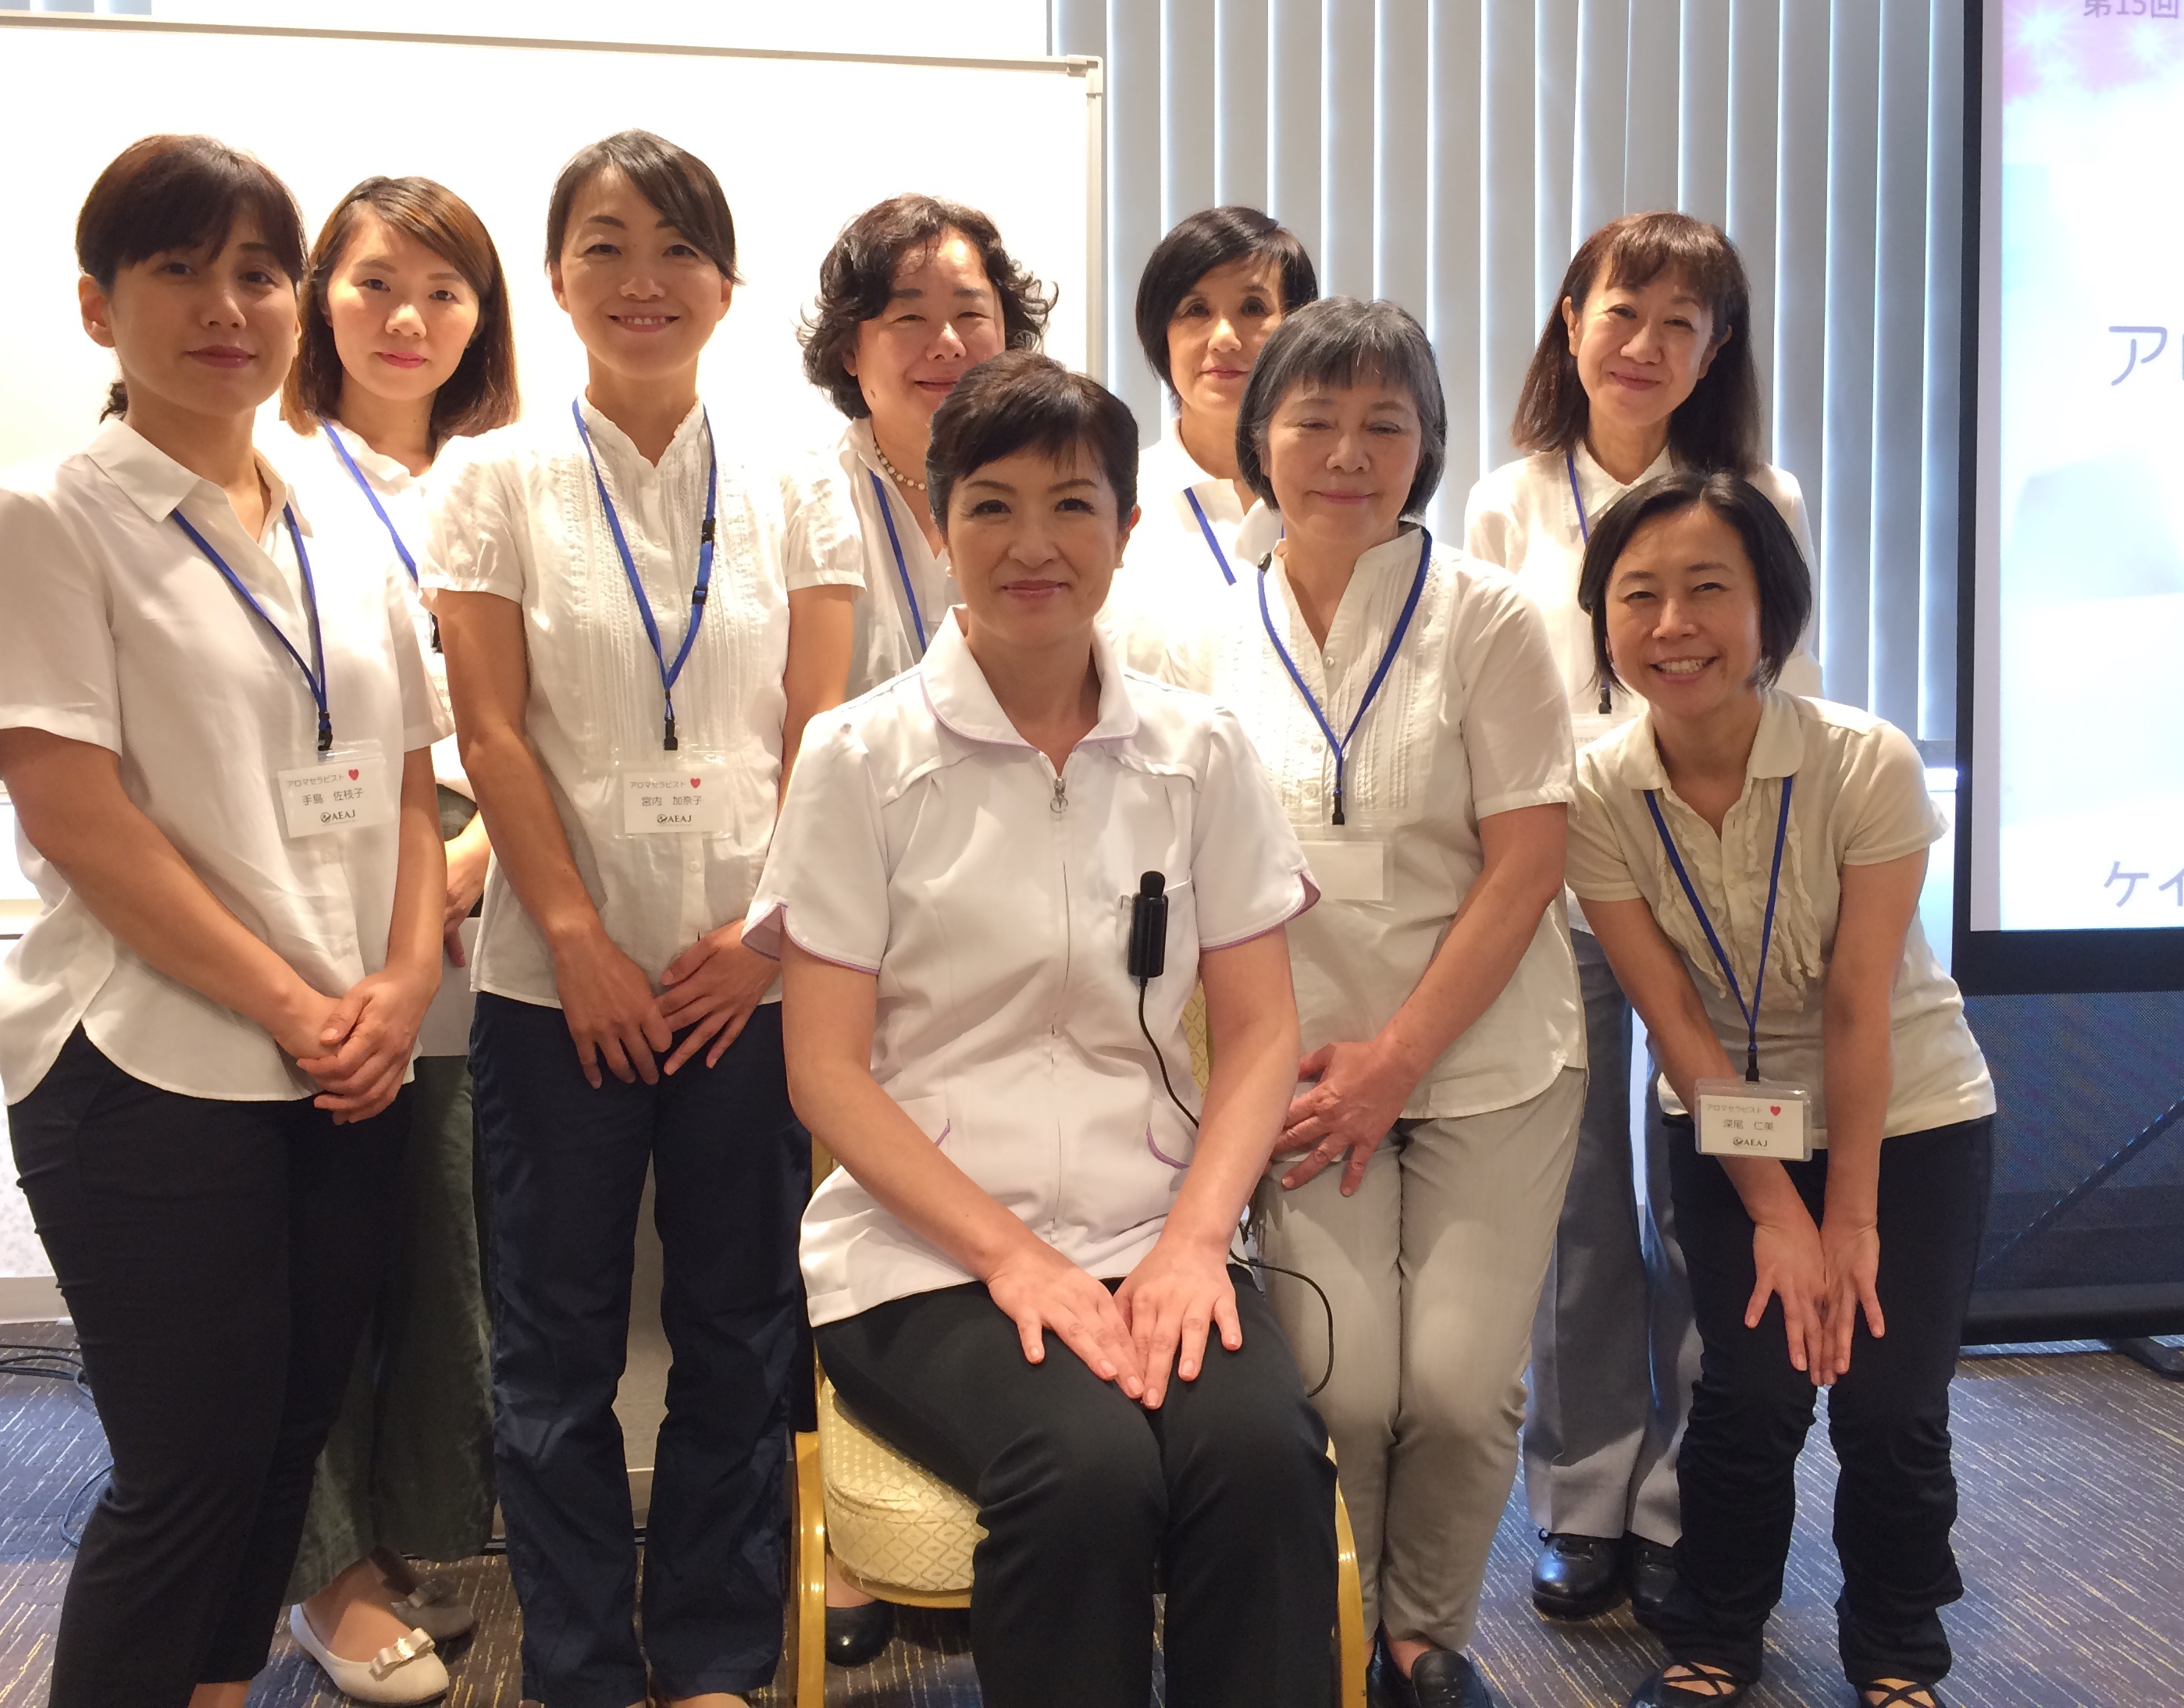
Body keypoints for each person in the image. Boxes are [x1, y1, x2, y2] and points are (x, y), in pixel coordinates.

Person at [750, 350, 1341, 1708]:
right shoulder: (858, 759)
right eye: (991, 506)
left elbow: (1259, 1034)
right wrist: (1016, 1261)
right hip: (922, 1262)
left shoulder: (1199, 751)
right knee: (1083, 1469)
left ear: (1124, 529)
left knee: (1262, 1459)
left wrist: (1193, 1242)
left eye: (1072, 505)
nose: (1032, 545)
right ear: (938, 522)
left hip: (1156, 1231)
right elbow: (824, 1073)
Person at [0, 134, 447, 1708]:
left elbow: (410, 786)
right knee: (186, 1474)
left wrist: (401, 983)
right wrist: (300, 1006)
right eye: (179, 270)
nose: (228, 306)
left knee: (285, 1451)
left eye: (256, 272)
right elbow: (75, 810)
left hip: (347, 1064)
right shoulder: (45, 515)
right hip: (149, 1061)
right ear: (99, 308)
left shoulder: (342, 524)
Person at [425, 128, 859, 1708]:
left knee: (744, 1328)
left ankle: (719, 1655)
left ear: (725, 284)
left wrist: (762, 940)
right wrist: (576, 938)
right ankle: (585, 1668)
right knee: (554, 1347)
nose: (642, 280)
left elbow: (818, 731)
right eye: (603, 246)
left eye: (677, 247)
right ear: (555, 280)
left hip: (749, 979)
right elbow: (491, 733)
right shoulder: (493, 480)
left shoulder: (798, 480)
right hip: (558, 986)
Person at [1195, 297, 1584, 1708]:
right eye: (1313, 420)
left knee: (1462, 1387)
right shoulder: (1203, 633)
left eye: (1384, 423)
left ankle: (1423, 1635)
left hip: (1487, 1058)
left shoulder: (1488, 617)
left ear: (1426, 444)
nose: (1346, 454)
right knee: (1341, 1383)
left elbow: (1526, 863)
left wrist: (1397, 1060)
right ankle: (1335, 1626)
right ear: (1261, 437)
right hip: (1300, 1072)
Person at [1566, 471, 1995, 1708]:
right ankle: (1713, 1635)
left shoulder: (1864, 761)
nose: (1672, 625)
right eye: (1638, 596)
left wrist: (1845, 1218)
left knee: (1888, 1403)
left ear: (1771, 610)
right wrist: (1773, 1209)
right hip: (1728, 1120)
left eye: (1709, 588)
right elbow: (1675, 1018)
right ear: (1603, 620)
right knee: (1749, 1394)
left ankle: (1897, 1649)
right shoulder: (1597, 790)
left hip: (1906, 1119)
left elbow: (1860, 1004)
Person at [1464, 212, 1820, 1624]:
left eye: (1683, 322)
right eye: (1623, 311)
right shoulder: (1504, 501)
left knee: (1702, 1192)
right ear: (1570, 323)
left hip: (1705, 891)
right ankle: (1579, 1495)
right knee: (1574, 1206)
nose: (1645, 345)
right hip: (1554, 888)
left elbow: (1786, 696)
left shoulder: (1760, 494)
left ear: (1715, 350)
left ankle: (1683, 1498)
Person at [269, 174, 519, 1703]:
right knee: (317, 1274)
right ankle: (324, 1575)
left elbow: (549, 715)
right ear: (320, 300)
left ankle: (401, 1537)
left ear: (482, 316)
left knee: (441, 1263)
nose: (406, 316)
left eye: (442, 288)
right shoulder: (272, 473)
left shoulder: (509, 479)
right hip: (321, 914)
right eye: (373, 283)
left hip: (481, 916)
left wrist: (474, 863)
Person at [799, 194, 1050, 694]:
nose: (948, 344)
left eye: (970, 313)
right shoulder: (808, 499)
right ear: (850, 350)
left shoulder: (1056, 492)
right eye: (910, 318)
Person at [1116, 205, 1317, 600]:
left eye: (1253, 308)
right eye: (1196, 310)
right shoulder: (1116, 499)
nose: (1224, 338)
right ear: (1162, 337)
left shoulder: (1334, 495)